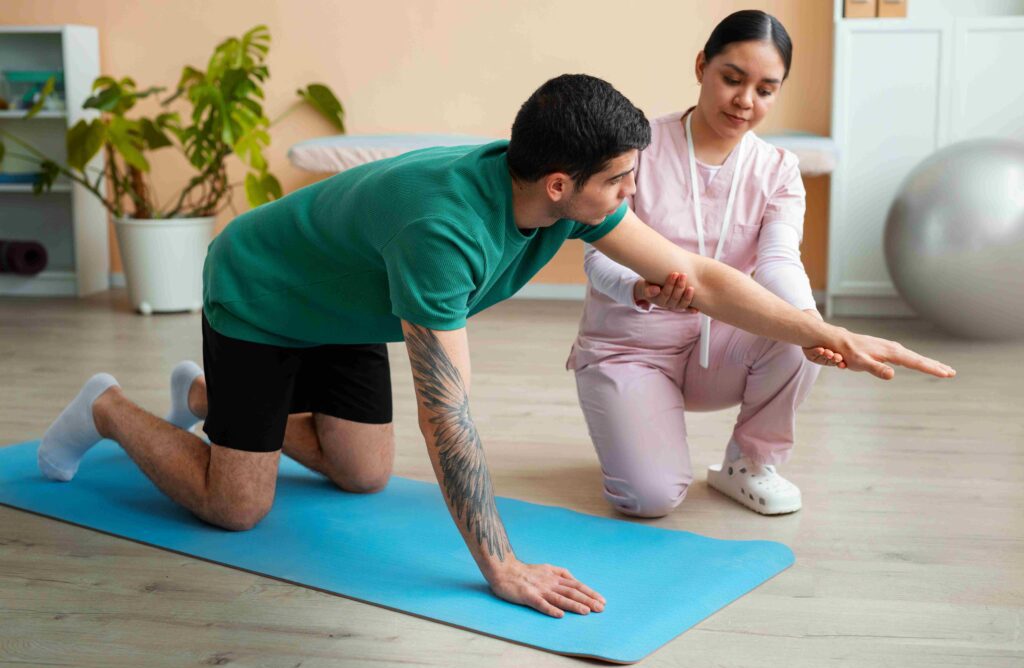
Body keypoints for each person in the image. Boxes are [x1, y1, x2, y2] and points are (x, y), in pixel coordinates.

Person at [37, 73, 955, 620]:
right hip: (266, 292)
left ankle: (211, 400)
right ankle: (112, 406)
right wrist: (501, 568)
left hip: (350, 303)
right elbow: (451, 414)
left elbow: (702, 276)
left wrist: (826, 333)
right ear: (561, 182)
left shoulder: (561, 202)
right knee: (237, 508)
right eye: (621, 181)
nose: (631, 195)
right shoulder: (448, 234)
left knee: (359, 472)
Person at [568, 10, 863, 518]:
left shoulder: (778, 170)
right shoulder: (636, 148)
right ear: (702, 65)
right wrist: (641, 288)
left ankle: (748, 464)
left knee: (799, 330)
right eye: (732, 79)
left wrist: (810, 325)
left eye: (766, 89)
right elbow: (597, 260)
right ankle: (640, 432)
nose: (746, 101)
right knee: (649, 498)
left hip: (721, 349)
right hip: (631, 348)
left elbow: (777, 261)